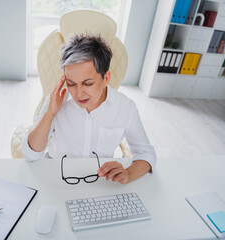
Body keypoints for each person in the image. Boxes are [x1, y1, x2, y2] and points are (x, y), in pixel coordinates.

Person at [22, 34, 156, 184]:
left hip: (100, 182)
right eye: (71, 83)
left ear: (106, 78)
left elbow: (146, 154)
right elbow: (31, 155)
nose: (78, 93)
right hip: (56, 179)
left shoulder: (125, 107)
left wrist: (128, 174)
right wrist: (50, 113)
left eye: (88, 84)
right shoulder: (58, 99)